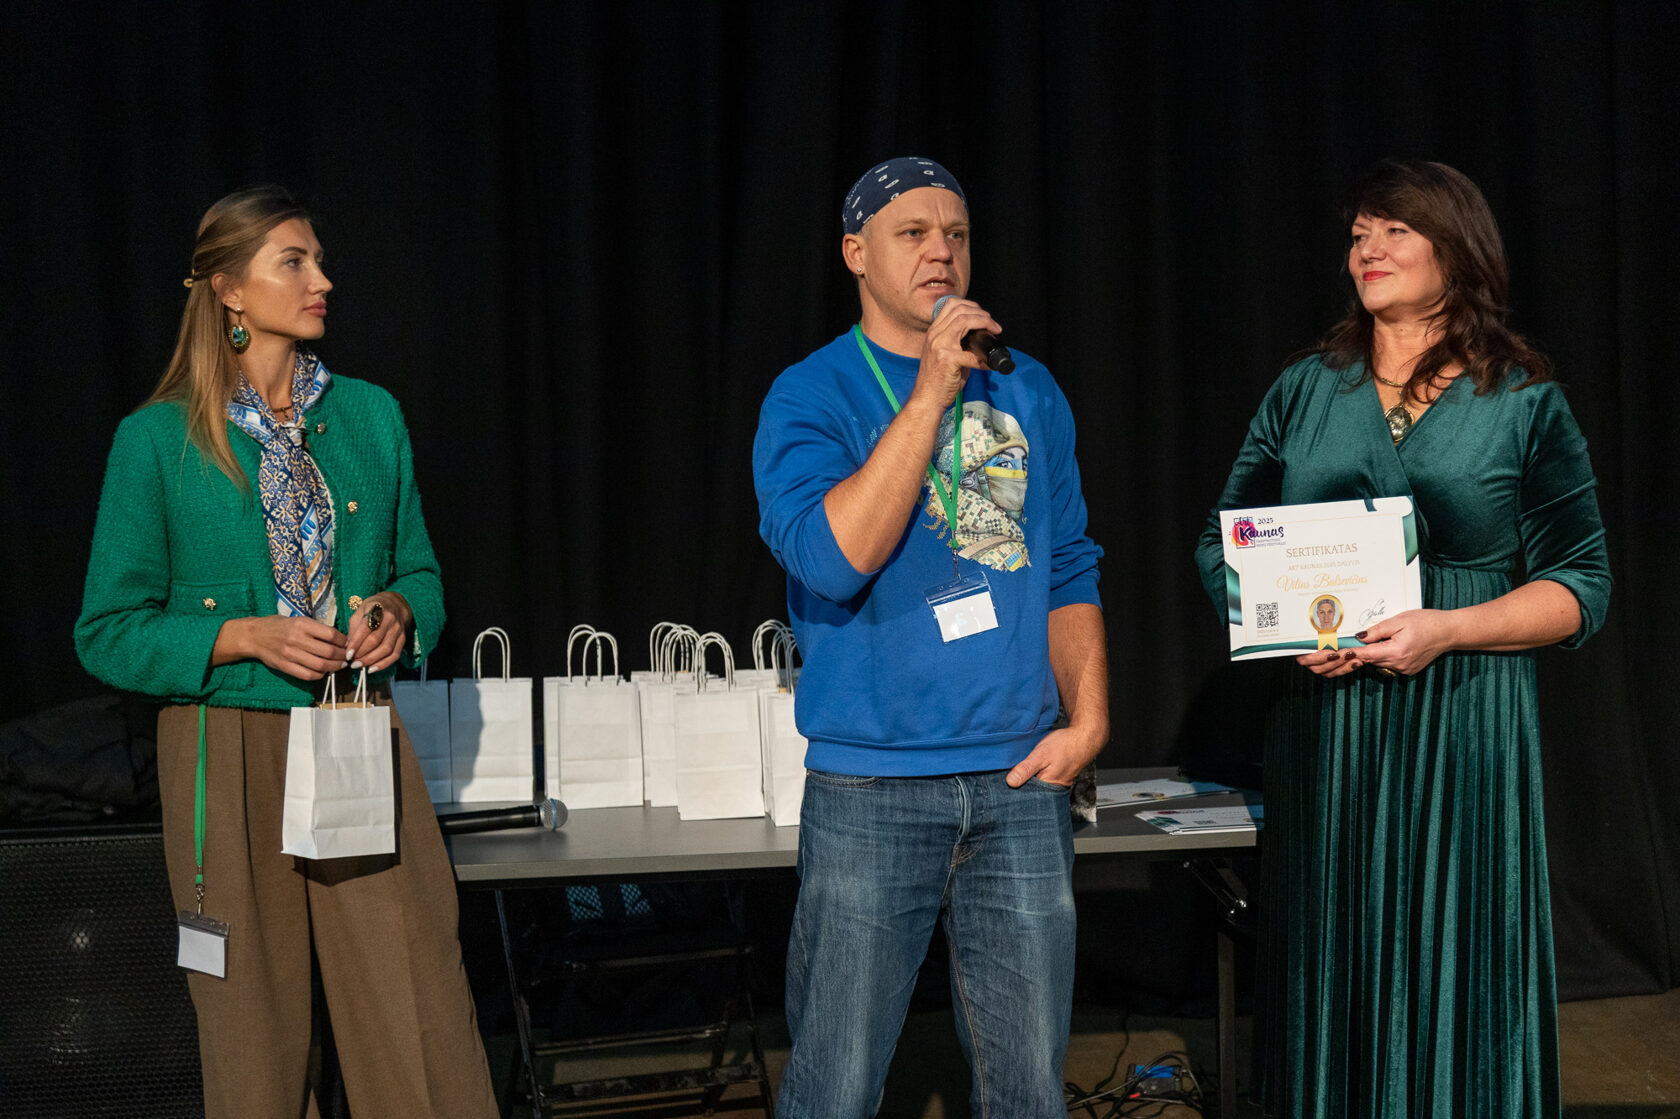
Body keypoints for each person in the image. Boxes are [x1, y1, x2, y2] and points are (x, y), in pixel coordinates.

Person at [1195, 160, 1611, 1117]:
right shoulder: (1308, 388)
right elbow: (1224, 542)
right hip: (1328, 722)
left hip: (1464, 721)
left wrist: (1448, 628)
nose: (1368, 250)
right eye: (1358, 234)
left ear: (1456, 250)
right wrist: (1284, 628)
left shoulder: (1522, 400)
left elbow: (1582, 587)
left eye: (1395, 231)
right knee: (1333, 947)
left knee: (1455, 944)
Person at [74, 187, 498, 1118]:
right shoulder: (157, 439)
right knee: (251, 1031)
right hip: (224, 748)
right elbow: (106, 630)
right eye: (294, 262)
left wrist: (396, 611)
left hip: (357, 730)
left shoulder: (371, 416)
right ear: (230, 289)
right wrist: (240, 634)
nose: (323, 280)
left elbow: (422, 574)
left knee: (415, 995)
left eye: (319, 259)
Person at [753, 156, 1108, 1117]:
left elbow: (1068, 564)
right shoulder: (809, 395)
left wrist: (1087, 721)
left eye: (955, 233)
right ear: (855, 252)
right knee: (835, 1086)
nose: (940, 252)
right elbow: (835, 559)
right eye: (912, 233)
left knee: (1029, 1089)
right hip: (873, 786)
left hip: (1020, 779)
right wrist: (930, 394)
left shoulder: (1030, 389)